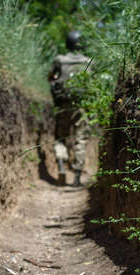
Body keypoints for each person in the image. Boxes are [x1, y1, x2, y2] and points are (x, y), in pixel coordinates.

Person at [48, 30, 91, 186]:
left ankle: (61, 168)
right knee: (80, 140)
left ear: (67, 44)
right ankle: (77, 178)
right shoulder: (88, 61)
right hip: (81, 107)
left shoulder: (59, 60)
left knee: (60, 138)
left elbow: (51, 78)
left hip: (63, 105)